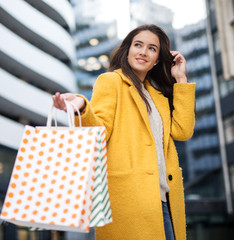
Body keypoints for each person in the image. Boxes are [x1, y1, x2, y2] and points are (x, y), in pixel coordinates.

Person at [53, 24, 195, 240]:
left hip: (164, 200)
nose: (143, 52)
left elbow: (182, 131)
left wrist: (181, 80)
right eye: (138, 45)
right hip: (130, 200)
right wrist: (81, 106)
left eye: (151, 48)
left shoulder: (157, 96)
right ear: (127, 50)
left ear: (157, 59)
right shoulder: (111, 81)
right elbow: (100, 131)